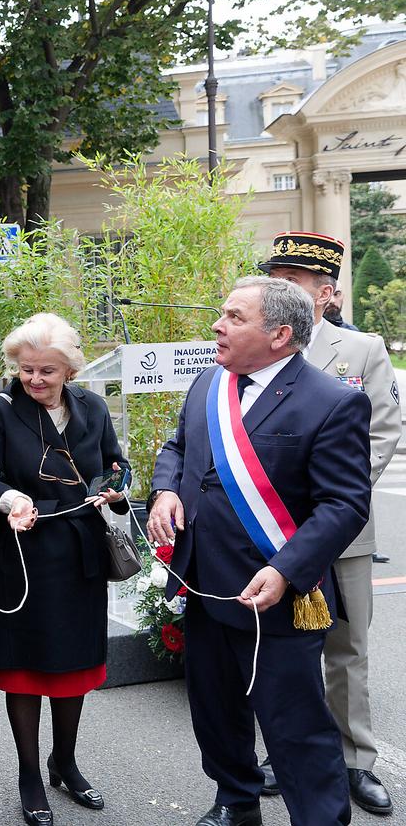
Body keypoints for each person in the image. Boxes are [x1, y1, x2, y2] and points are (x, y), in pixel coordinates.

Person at [148, 276, 371, 826]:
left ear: (279, 334)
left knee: (294, 726)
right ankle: (236, 800)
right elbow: (178, 447)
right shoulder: (209, 383)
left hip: (276, 595)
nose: (217, 326)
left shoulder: (333, 402)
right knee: (216, 711)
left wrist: (286, 569)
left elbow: (344, 504)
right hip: (204, 584)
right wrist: (166, 488)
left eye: (233, 317)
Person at [254, 233, 400, 815]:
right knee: (281, 648)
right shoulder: (262, 348)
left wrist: (330, 499)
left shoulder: (360, 350)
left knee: (347, 646)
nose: (281, 287)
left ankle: (355, 760)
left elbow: (384, 431)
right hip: (270, 528)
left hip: (341, 531)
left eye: (293, 280)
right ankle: (282, 751)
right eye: (277, 277)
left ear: (326, 292)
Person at [0, 313, 130, 826]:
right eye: (27, 370)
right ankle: (29, 774)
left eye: (47, 372)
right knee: (24, 668)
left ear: (69, 372)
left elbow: (114, 463)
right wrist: (12, 497)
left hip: (80, 554)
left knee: (74, 667)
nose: (35, 380)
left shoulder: (92, 406)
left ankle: (66, 762)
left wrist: (115, 485)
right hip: (22, 557)